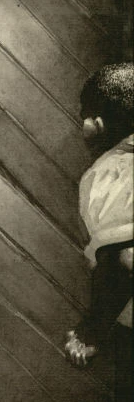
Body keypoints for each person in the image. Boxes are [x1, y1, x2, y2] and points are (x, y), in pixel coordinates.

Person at [65, 63, 133, 366]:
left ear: (99, 123)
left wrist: (90, 333)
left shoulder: (109, 175)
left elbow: (126, 258)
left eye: (86, 116)